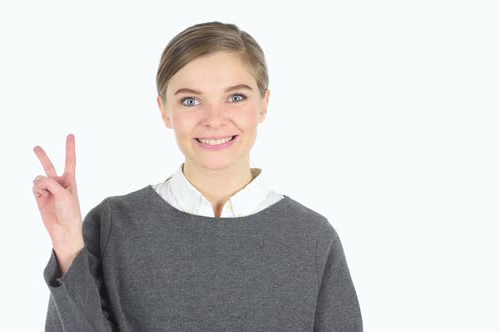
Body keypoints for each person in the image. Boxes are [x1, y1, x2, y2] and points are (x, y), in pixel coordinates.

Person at [32, 21, 362, 331]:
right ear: (164, 111)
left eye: (236, 97)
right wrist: (67, 246)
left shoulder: (312, 237)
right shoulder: (113, 224)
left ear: (263, 104)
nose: (214, 119)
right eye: (191, 100)